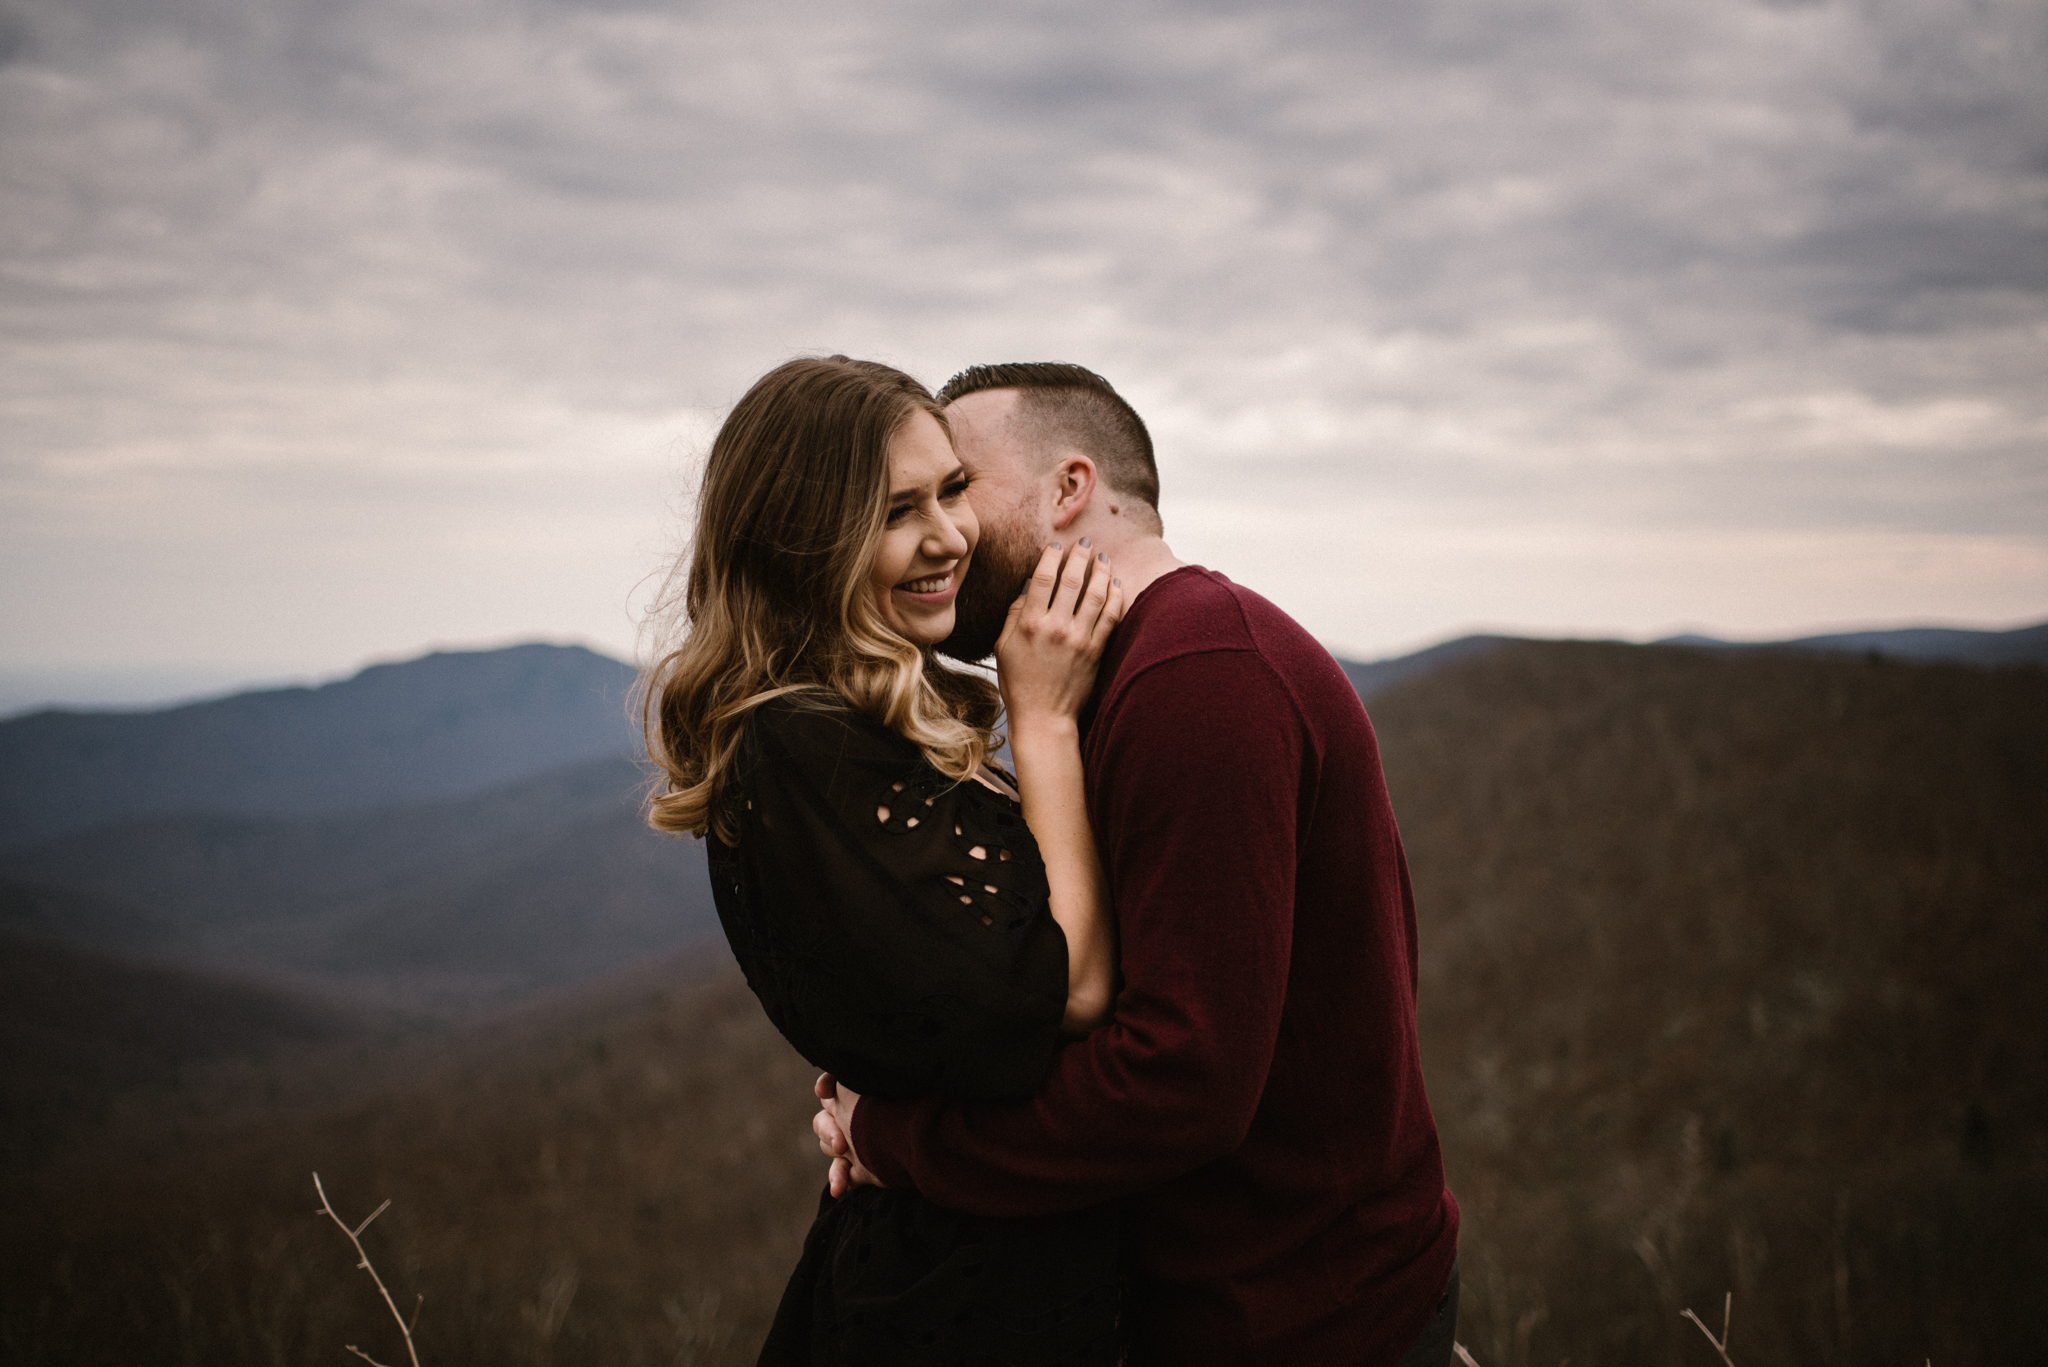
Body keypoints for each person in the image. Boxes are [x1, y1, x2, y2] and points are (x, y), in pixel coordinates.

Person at [812, 363, 1462, 1367]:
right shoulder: (1124, 675)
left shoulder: (1198, 674)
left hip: (1294, 1321)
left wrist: (900, 1138)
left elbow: (1180, 1081)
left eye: (958, 488)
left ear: (1067, 489)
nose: (940, 532)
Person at [642, 355, 1134, 1365]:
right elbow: (1071, 987)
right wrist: (1039, 720)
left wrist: (886, 1119)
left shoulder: (851, 732)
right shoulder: (799, 747)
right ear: (801, 540)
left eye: (950, 488)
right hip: (959, 1306)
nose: (947, 536)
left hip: (979, 1264)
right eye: (893, 510)